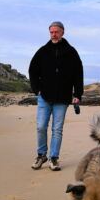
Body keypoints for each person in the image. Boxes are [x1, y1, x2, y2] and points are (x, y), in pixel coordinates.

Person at [28, 21, 83, 171]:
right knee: (41, 127)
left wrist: (77, 94)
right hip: (44, 97)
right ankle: (41, 155)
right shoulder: (43, 51)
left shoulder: (71, 52)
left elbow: (78, 74)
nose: (54, 34)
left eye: (56, 32)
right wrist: (37, 89)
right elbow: (32, 70)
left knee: (57, 129)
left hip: (63, 98)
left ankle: (54, 158)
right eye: (51, 32)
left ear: (62, 32)